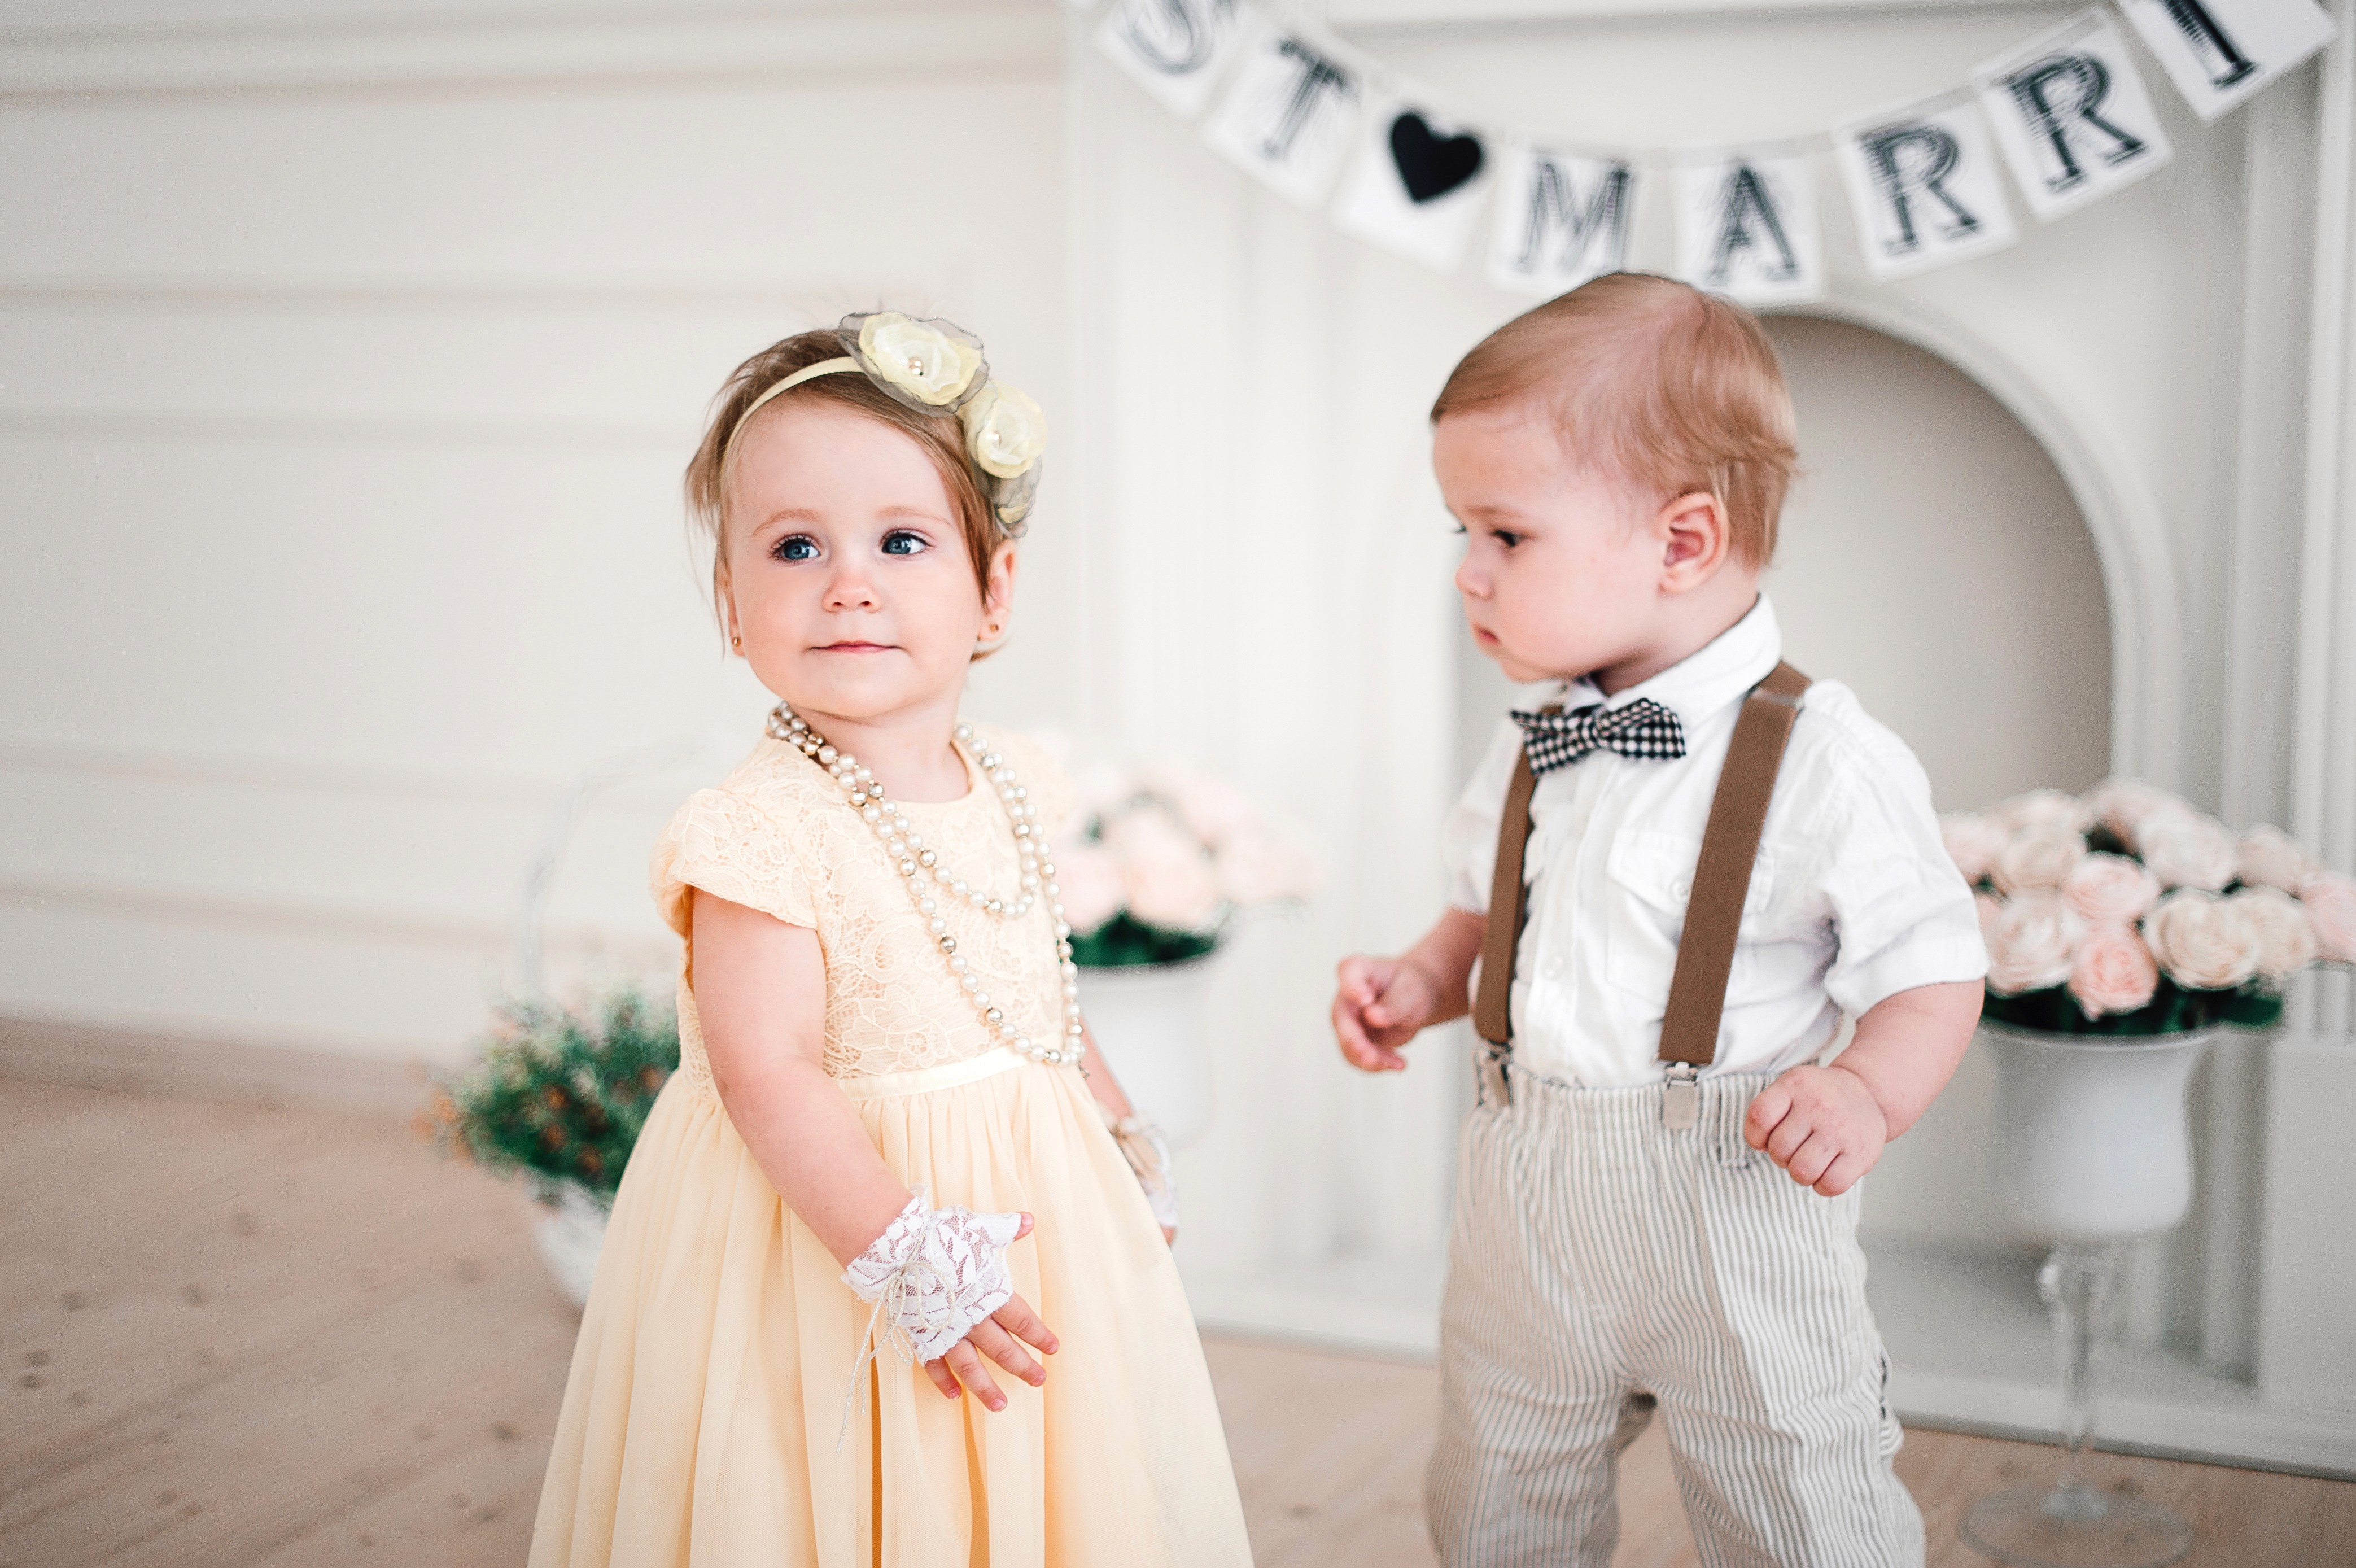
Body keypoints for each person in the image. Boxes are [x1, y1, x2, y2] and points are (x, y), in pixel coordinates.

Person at [530, 312, 1252, 1567]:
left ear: (993, 593)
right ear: (731, 602)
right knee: (845, 1491)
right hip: (837, 1237)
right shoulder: (756, 830)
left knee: (1028, 1481)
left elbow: (1039, 997)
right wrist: (901, 1252)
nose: (847, 581)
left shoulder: (1007, 778)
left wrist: (1118, 1128)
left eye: (901, 541)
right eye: (794, 546)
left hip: (1020, 1209)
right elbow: (768, 1073)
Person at [1331, 273, 1987, 1567]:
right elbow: (1487, 902)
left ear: (1680, 543)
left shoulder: (1825, 762)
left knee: (1798, 1500)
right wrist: (1421, 975)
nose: (1466, 571)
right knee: (1495, 1490)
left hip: (1729, 1202)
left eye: (1504, 535)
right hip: (1528, 1197)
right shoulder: (1538, 737)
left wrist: (1863, 1091)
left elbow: (1933, 969)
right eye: (1461, 530)